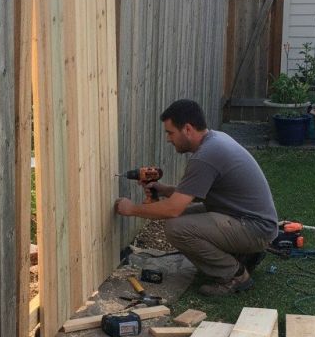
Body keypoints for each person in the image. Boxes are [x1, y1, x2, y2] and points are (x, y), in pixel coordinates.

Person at [114, 99, 278, 296]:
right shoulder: (215, 140)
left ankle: (234, 275)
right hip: (246, 220)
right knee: (182, 219)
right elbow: (195, 194)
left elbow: (172, 209)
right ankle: (243, 255)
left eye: (170, 132)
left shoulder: (205, 156)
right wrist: (164, 189)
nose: (168, 139)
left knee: (176, 227)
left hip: (255, 228)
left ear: (188, 129)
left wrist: (131, 209)